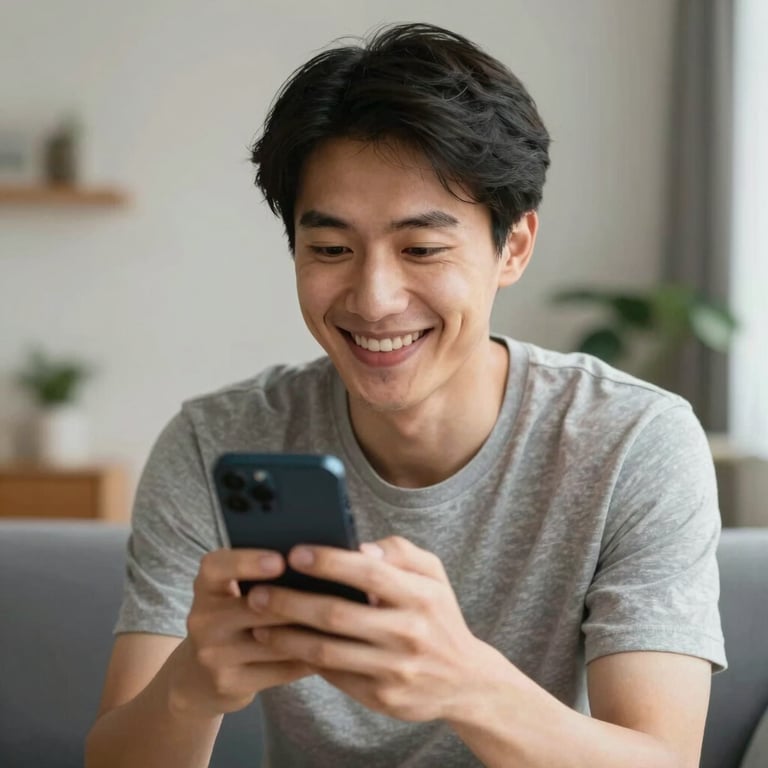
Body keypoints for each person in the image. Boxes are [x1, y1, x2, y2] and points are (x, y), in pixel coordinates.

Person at [85, 22, 726, 768]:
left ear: (512, 247)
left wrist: (465, 683)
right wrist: (191, 687)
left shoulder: (633, 440)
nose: (375, 298)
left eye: (422, 249)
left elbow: (665, 760)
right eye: (330, 249)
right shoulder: (216, 440)